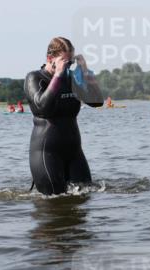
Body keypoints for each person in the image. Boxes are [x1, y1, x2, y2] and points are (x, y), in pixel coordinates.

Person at [24, 36, 102, 195]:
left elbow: (97, 102)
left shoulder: (71, 79)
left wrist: (85, 72)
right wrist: (58, 76)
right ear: (50, 58)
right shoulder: (35, 78)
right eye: (64, 62)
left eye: (70, 62)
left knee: (85, 196)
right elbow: (42, 107)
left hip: (74, 152)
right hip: (46, 152)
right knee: (53, 201)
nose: (67, 66)